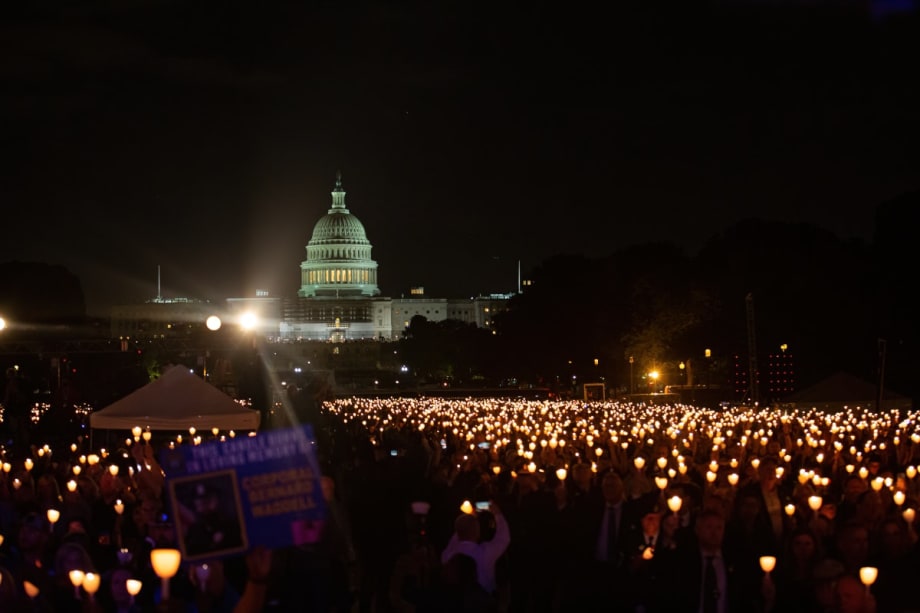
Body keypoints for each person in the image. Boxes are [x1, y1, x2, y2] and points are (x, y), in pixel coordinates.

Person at [440, 500, 510, 603]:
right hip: (483, 604)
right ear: (477, 532)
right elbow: (504, 537)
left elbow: (458, 534)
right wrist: (497, 513)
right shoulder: (485, 553)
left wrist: (465, 521)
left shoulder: (448, 555)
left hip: (456, 604)